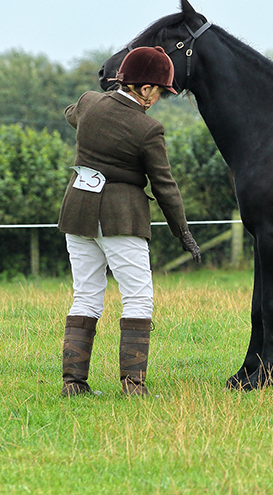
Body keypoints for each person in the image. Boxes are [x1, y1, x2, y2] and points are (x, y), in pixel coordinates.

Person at [57, 46, 201, 397]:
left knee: (86, 295)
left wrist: (108, 95)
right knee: (138, 298)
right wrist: (183, 232)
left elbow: (71, 113)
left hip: (77, 209)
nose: (159, 100)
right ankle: (132, 386)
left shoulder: (91, 103)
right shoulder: (148, 128)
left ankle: (74, 384)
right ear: (146, 88)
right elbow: (165, 188)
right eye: (160, 92)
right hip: (121, 216)